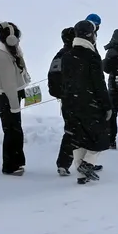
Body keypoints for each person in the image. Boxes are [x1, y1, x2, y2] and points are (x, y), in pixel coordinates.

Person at [61, 20, 112, 184]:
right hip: (90, 103)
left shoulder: (67, 55)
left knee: (77, 138)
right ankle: (88, 163)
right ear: (91, 35)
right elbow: (99, 84)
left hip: (70, 103)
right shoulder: (92, 56)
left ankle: (81, 175)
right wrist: (107, 105)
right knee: (99, 135)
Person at [0, 22, 31, 176]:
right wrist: (14, 105)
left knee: (15, 132)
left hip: (12, 97)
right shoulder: (4, 56)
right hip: (8, 99)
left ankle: (16, 162)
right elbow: (9, 84)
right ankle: (10, 165)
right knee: (12, 133)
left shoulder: (12, 53)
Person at [47, 27, 76, 176]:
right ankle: (84, 162)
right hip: (78, 99)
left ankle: (64, 163)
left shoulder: (59, 55)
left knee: (70, 131)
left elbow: (52, 78)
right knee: (84, 131)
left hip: (65, 100)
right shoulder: (75, 55)